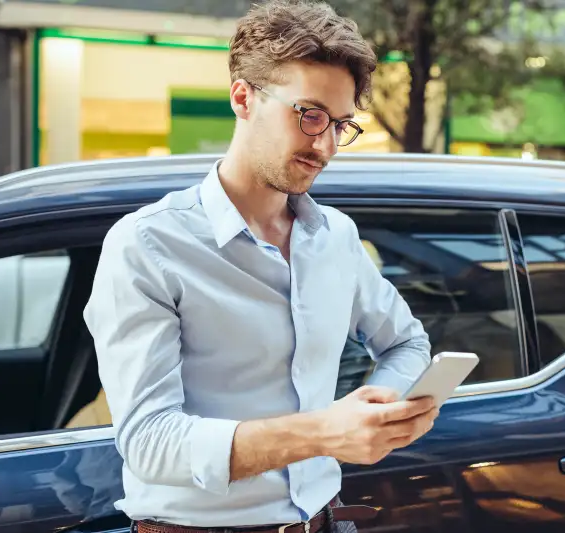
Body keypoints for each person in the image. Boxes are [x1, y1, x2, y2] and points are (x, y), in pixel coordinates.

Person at [82, 1, 438, 532]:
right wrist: (323, 432)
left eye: (340, 124)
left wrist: (383, 410)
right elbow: (148, 442)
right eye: (309, 114)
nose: (325, 145)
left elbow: (407, 344)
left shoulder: (335, 237)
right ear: (243, 97)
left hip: (325, 522)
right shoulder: (147, 244)